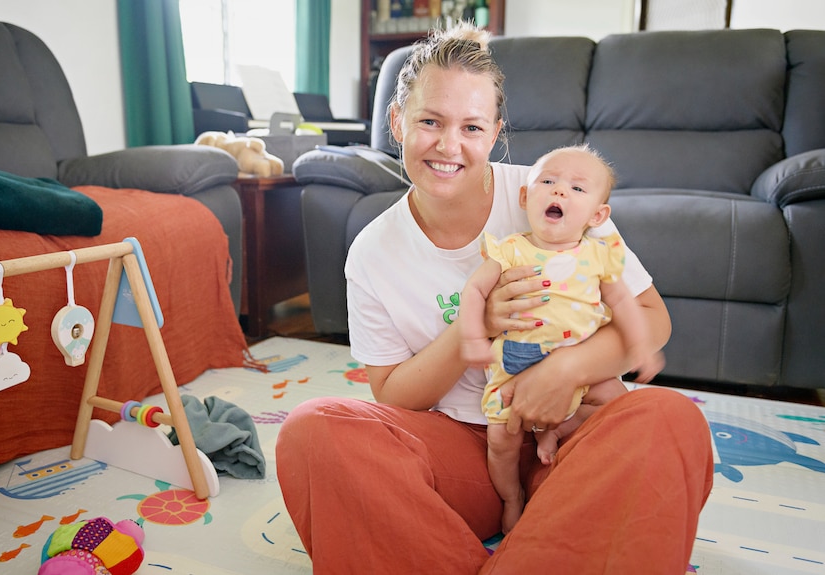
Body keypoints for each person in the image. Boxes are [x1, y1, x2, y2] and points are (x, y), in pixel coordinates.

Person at [276, 22, 713, 574]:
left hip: (578, 437)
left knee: (669, 419)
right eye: (429, 121)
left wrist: (565, 372)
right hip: (470, 453)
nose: (448, 145)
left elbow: (651, 320)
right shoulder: (372, 250)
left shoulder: (553, 191)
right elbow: (391, 394)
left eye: (472, 127)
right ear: (396, 121)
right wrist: (470, 329)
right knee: (315, 432)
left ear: (495, 132)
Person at [460, 144, 665, 533]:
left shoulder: (599, 257)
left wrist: (641, 347)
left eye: (577, 188)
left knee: (617, 410)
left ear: (598, 214)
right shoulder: (510, 250)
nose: (559, 192)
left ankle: (558, 440)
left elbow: (623, 303)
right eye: (548, 182)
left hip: (583, 370)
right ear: (525, 197)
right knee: (501, 440)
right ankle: (512, 497)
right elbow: (474, 292)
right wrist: (472, 337)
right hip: (516, 367)